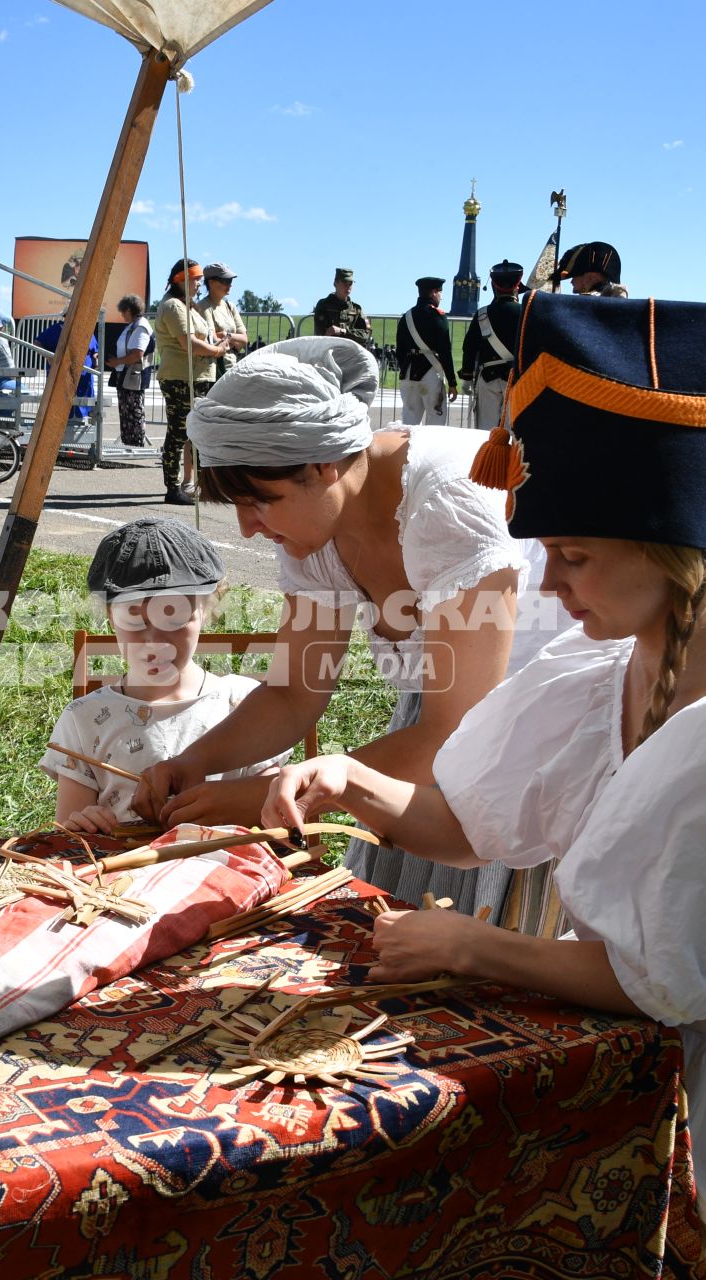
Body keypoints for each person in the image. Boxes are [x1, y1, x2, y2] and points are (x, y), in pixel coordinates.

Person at [261, 292, 706, 1277]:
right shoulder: (618, 666)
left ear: (672, 545)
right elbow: (476, 823)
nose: (549, 586)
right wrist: (346, 780)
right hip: (628, 1051)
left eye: (576, 557)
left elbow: (664, 986)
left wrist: (472, 943)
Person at [133, 336, 570, 919]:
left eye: (260, 502)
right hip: (435, 738)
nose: (246, 530)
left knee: (491, 961)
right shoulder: (314, 531)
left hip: (538, 745)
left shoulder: (447, 503)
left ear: (324, 464)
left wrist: (256, 796)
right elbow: (293, 693)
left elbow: (456, 733)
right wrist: (193, 762)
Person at [42, 519, 289, 834]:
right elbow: (70, 834)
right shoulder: (84, 719)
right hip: (120, 878)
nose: (153, 640)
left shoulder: (244, 704)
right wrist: (82, 827)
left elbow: (274, 820)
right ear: (110, 617)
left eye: (173, 615)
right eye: (134, 618)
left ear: (208, 607)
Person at [153, 258, 227, 505]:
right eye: (195, 279)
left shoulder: (188, 306)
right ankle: (172, 488)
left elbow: (200, 337)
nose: (199, 283)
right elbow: (189, 344)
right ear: (181, 281)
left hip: (197, 378)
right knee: (178, 434)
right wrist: (216, 351)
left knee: (196, 433)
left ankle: (198, 485)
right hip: (181, 379)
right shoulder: (174, 306)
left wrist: (216, 340)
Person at [459, 259, 525, 429]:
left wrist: (467, 376)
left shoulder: (482, 315)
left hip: (488, 376)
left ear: (494, 286)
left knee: (485, 430)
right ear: (517, 285)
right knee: (513, 429)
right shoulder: (526, 313)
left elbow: (469, 347)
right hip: (517, 377)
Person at [395, 276, 457, 425]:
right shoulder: (438, 316)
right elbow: (445, 351)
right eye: (440, 293)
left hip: (408, 373)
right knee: (435, 424)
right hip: (430, 375)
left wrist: (406, 367)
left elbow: (400, 351)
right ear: (434, 292)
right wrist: (452, 382)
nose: (441, 297)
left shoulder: (406, 317)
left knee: (408, 424)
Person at [107, 294, 153, 447]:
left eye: (122, 311)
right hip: (126, 375)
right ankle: (129, 444)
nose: (121, 315)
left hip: (133, 376)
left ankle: (136, 444)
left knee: (134, 411)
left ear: (129, 309)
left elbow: (137, 354)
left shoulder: (140, 327)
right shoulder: (133, 325)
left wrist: (117, 362)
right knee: (127, 411)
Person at [195, 263, 249, 380]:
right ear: (211, 282)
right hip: (215, 370)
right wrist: (234, 340)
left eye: (230, 281)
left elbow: (244, 339)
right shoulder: (203, 307)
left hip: (232, 367)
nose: (230, 285)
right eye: (225, 281)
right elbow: (212, 339)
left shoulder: (230, 306)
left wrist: (226, 335)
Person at [310, 267, 371, 345]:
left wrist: (343, 331)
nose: (348, 286)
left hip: (351, 351)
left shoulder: (356, 309)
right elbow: (321, 334)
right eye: (345, 282)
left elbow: (366, 333)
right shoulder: (324, 305)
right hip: (330, 349)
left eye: (350, 283)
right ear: (335, 283)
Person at [553, 241, 622, 295]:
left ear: (593, 277)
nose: (571, 281)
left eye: (574, 275)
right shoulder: (620, 308)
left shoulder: (584, 309)